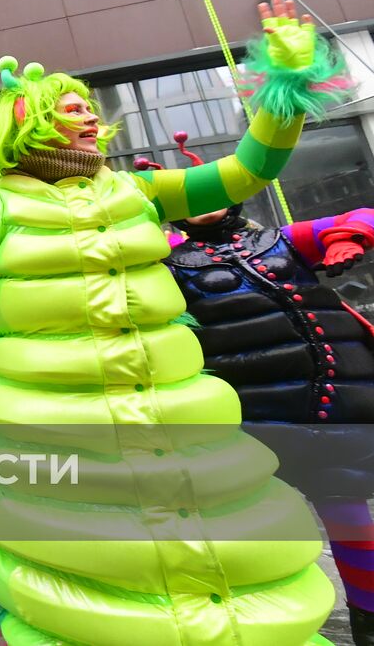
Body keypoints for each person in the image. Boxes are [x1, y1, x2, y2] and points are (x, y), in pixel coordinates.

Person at [0, 0, 346, 643]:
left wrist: (284, 88)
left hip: (174, 416)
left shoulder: (137, 189)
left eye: (86, 105)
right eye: (68, 106)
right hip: (59, 435)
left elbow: (248, 170)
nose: (86, 115)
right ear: (30, 125)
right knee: (89, 577)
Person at [150, 134, 374, 643]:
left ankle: (367, 618)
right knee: (255, 532)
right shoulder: (163, 263)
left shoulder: (283, 240)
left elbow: (364, 214)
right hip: (251, 419)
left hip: (335, 407)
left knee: (351, 519)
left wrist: (348, 236)